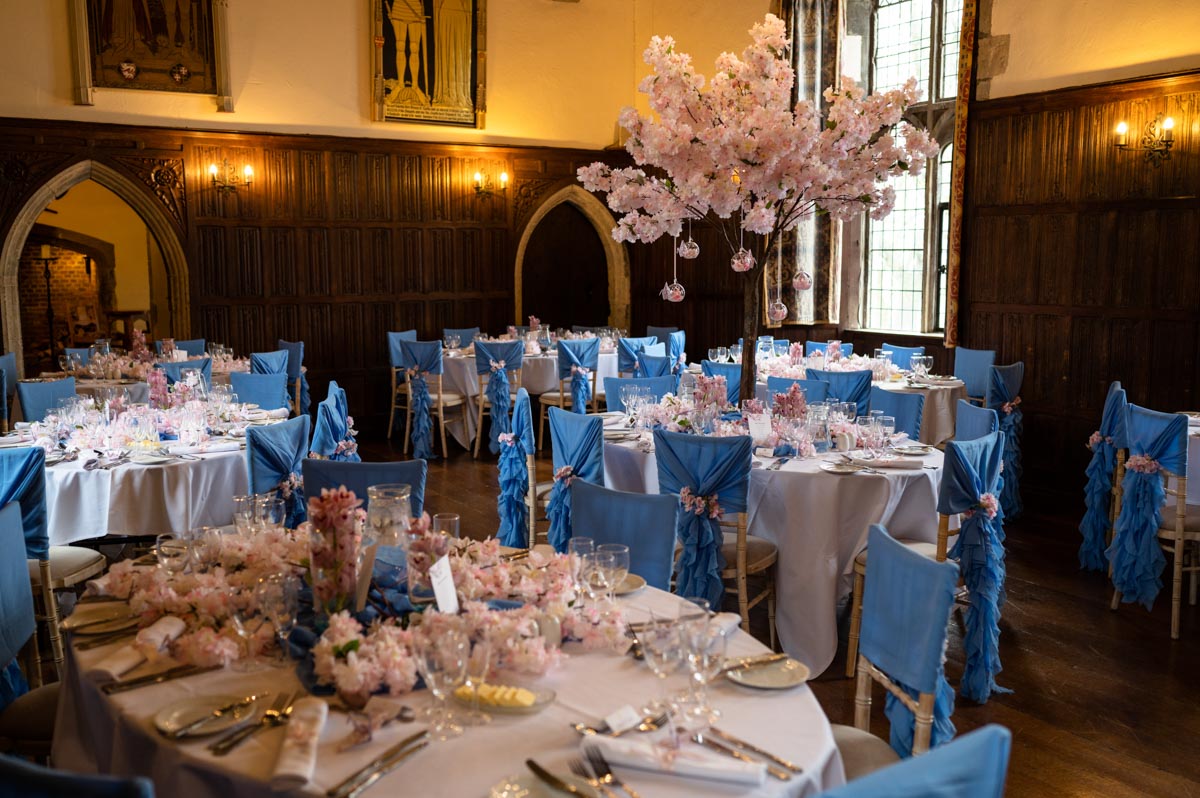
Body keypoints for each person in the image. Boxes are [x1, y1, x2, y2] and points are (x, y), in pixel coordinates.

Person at [386, 0, 430, 105]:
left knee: (415, 48)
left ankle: (415, 85)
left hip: (415, 6)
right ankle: (400, 83)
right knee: (400, 46)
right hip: (399, 6)